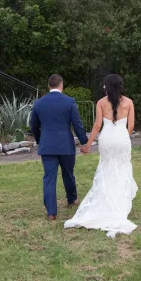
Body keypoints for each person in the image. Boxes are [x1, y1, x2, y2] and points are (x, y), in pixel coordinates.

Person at [65, 74, 138, 238]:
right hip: (121, 138)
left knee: (106, 169)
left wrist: (88, 144)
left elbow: (97, 125)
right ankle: (119, 203)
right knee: (122, 169)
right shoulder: (129, 102)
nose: (103, 87)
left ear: (108, 86)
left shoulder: (101, 103)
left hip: (106, 139)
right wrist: (124, 137)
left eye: (105, 85)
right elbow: (131, 125)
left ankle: (105, 201)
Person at [29, 74, 90, 221]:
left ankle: (51, 212)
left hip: (47, 145)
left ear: (48, 86)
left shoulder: (39, 103)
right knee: (68, 173)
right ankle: (72, 199)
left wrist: (40, 140)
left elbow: (33, 126)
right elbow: (77, 124)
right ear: (61, 85)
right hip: (65, 145)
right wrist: (84, 142)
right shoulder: (69, 102)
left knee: (49, 178)